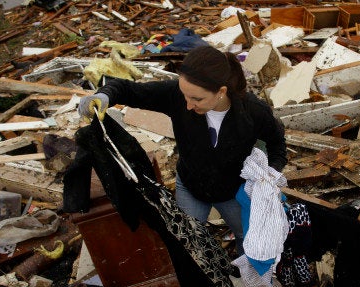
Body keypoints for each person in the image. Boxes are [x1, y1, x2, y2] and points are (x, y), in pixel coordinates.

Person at [78, 45, 288, 257]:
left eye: (197, 99)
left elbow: (277, 145)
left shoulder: (253, 111)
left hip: (234, 191)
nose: (187, 105)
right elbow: (127, 90)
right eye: (185, 96)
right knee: (189, 244)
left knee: (248, 237)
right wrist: (104, 95)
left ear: (221, 92)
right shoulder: (177, 96)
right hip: (191, 187)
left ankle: (249, 277)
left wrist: (270, 174)